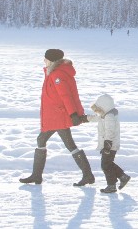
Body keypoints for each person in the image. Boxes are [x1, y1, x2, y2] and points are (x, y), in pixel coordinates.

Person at [19, 48, 96, 186]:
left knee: (45, 140)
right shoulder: (54, 73)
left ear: (52, 60)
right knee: (63, 143)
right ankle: (87, 175)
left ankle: (38, 175)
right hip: (55, 116)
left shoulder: (57, 75)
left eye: (46, 59)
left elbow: (66, 96)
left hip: (58, 117)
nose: (44, 61)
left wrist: (73, 114)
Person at [85, 93, 131, 193]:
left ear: (105, 106)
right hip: (109, 145)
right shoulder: (105, 115)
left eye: (99, 108)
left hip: (110, 145)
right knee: (108, 164)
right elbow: (96, 118)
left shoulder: (109, 116)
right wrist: (85, 118)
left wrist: (107, 144)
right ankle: (123, 177)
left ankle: (112, 185)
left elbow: (110, 130)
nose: (98, 111)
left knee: (105, 165)